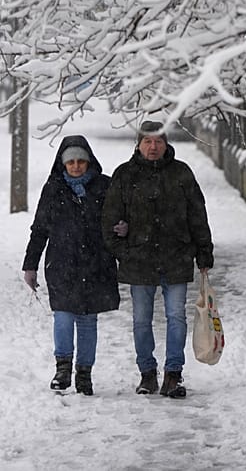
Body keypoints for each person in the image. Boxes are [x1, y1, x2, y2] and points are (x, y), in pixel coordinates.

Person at [102, 120, 214, 399]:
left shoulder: (181, 173)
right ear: (139, 144)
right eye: (147, 141)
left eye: (158, 141)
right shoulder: (125, 175)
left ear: (166, 144)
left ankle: (173, 374)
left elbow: (197, 214)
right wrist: (123, 250)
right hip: (138, 259)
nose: (153, 147)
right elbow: (109, 218)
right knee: (142, 319)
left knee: (176, 316)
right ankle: (147, 373)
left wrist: (203, 250)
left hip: (176, 256)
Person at [22, 135, 120, 396]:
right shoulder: (53, 189)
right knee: (63, 316)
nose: (76, 166)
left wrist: (123, 230)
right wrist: (30, 265)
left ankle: (84, 374)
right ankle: (62, 369)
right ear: (63, 163)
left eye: (81, 161)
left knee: (88, 320)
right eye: (71, 162)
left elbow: (118, 220)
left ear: (89, 161)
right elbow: (39, 229)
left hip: (96, 264)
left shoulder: (104, 187)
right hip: (62, 264)